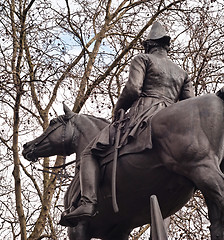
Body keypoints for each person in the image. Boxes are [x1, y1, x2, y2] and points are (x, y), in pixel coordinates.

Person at [62, 21, 194, 226]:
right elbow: (188, 105)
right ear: (166, 46)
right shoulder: (182, 73)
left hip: (144, 113)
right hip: (172, 120)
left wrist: (118, 109)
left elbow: (133, 89)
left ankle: (88, 202)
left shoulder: (143, 59)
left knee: (89, 152)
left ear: (149, 45)